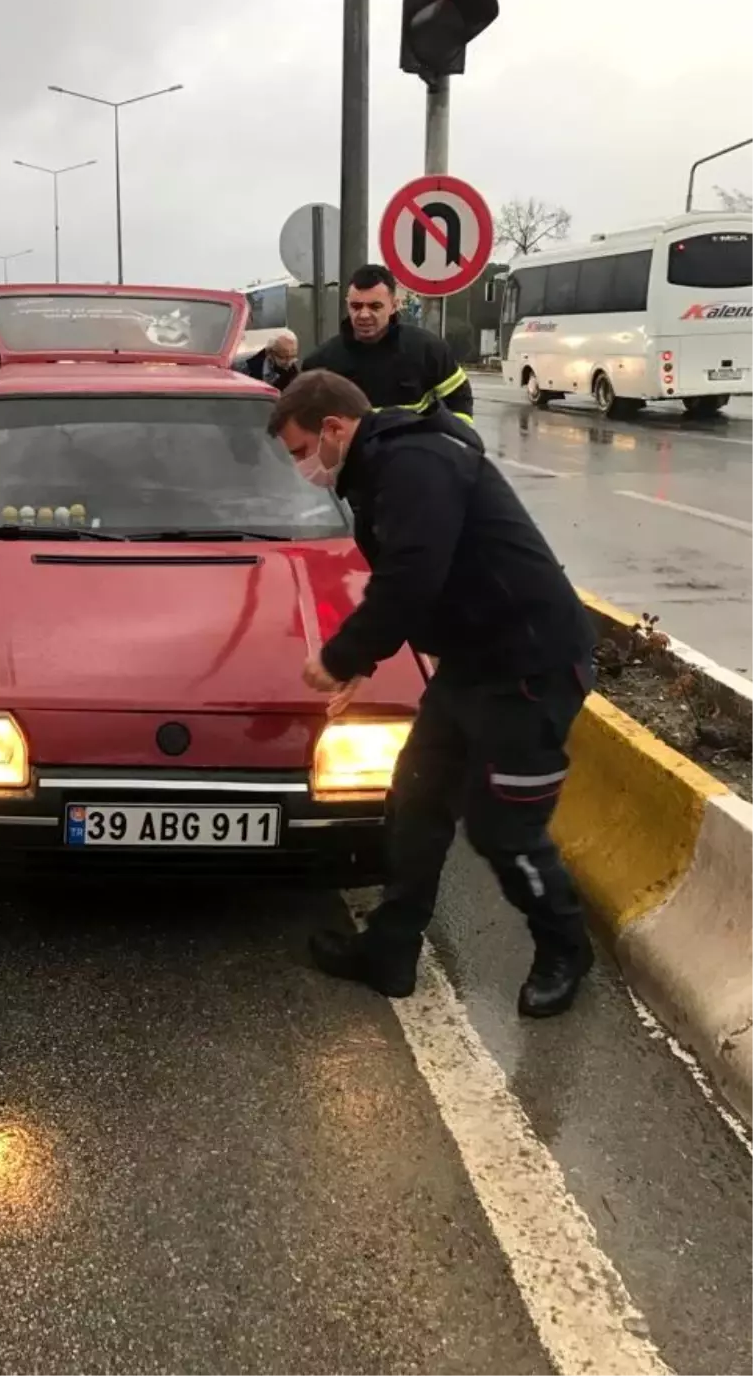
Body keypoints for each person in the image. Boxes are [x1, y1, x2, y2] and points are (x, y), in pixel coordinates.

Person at [269, 369, 596, 1018]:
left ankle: (566, 948)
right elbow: (418, 579)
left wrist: (342, 656)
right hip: (473, 663)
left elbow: (414, 573)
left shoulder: (414, 462)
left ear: (334, 427)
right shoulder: (380, 466)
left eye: (302, 450)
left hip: (531, 666)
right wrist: (369, 659)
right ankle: (390, 949)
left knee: (504, 828)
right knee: (416, 801)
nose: (305, 466)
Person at [302, 264, 472, 422]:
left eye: (375, 306)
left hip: (412, 453)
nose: (364, 314)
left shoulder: (428, 349)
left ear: (394, 306)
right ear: (347, 305)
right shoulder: (321, 363)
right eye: (356, 306)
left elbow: (459, 398)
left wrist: (452, 442)